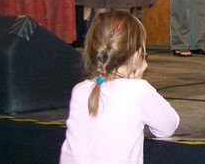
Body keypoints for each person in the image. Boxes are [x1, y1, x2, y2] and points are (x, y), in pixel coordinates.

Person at [60, 10, 180, 163]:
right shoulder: (138, 90)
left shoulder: (80, 90)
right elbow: (168, 126)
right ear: (137, 54)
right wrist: (137, 81)